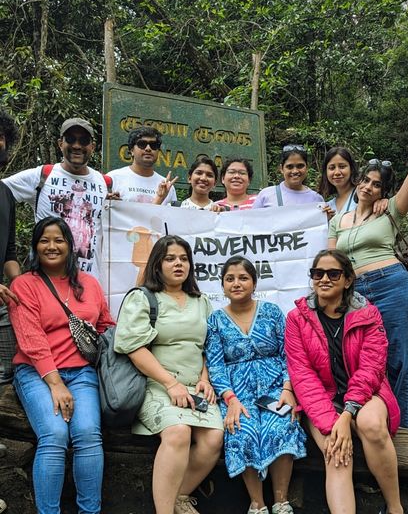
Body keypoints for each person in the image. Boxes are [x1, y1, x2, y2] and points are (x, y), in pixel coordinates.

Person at [8, 216, 115, 514]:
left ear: (70, 245)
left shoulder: (89, 284)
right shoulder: (24, 285)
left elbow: (105, 324)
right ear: (35, 246)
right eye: (44, 240)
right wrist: (55, 384)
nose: (51, 246)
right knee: (54, 435)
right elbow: (31, 340)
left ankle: (89, 512)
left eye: (59, 240)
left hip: (82, 372)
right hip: (37, 373)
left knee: (88, 435)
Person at [285, 249, 402, 514]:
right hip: (323, 398)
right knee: (334, 448)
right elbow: (302, 376)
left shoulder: (368, 314)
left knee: (371, 425)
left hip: (365, 393)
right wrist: (332, 424)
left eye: (333, 273)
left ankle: (395, 508)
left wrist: (347, 415)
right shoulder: (297, 318)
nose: (324, 279)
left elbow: (371, 369)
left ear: (347, 280)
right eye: (318, 273)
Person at [114, 235, 223, 514]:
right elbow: (132, 347)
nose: (178, 264)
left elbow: (208, 346)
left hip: (194, 388)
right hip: (156, 385)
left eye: (184, 259)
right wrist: (171, 384)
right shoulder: (142, 298)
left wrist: (205, 378)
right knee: (178, 432)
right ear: (157, 264)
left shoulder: (201, 302)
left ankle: (179, 496)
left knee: (213, 438)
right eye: (170, 258)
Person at [205, 256, 306, 514]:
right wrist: (230, 400)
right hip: (238, 395)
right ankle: (257, 504)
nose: (236, 283)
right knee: (241, 429)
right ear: (223, 285)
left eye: (243, 278)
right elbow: (215, 365)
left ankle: (281, 501)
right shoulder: (215, 320)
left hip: (276, 389)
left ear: (254, 282)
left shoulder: (272, 312)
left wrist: (288, 390)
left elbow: (290, 354)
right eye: (230, 279)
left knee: (282, 425)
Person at [328, 157, 408, 428]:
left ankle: (404, 433)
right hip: (355, 295)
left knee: (400, 362)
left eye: (376, 185)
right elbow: (332, 261)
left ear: (384, 191)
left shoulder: (391, 209)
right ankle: (372, 426)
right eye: (365, 180)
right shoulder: (337, 220)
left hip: (392, 287)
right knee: (363, 363)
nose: (368, 187)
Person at [2, 118, 110, 278]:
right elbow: (3, 192)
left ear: (92, 147)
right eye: (71, 139)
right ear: (60, 143)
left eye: (84, 140)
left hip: (89, 282)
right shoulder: (42, 176)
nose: (77, 145)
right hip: (45, 282)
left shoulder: (105, 183)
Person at [0, 108, 21, 514]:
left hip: (2, 304)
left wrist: (23, 287)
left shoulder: (4, 193)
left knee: (1, 375)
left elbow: (9, 253)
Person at [107, 126, 177, 205]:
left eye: (153, 145)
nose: (148, 148)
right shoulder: (114, 178)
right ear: (131, 150)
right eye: (142, 144)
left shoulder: (168, 187)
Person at [253, 144, 324, 208]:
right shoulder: (266, 195)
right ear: (281, 169)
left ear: (307, 168)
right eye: (290, 167)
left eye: (300, 166)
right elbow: (254, 220)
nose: (295, 171)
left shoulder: (316, 199)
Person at [318, 147, 358, 217]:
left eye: (342, 167)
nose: (337, 172)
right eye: (332, 168)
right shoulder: (327, 207)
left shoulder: (362, 195)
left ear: (351, 169)